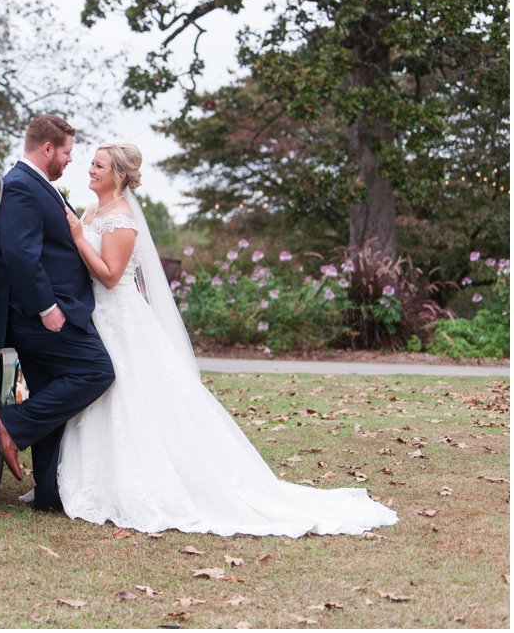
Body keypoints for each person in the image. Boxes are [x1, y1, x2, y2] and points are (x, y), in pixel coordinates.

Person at [54, 142, 398, 536]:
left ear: (118, 175)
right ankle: (93, 479)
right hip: (98, 316)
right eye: (91, 164)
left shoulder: (122, 219)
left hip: (121, 317)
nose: (90, 169)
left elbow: (112, 276)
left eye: (98, 165)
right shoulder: (93, 209)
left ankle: (141, 485)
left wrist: (80, 238)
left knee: (132, 396)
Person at [0, 116, 116, 512]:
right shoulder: (21, 188)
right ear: (47, 149)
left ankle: (49, 492)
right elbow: (21, 256)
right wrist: (47, 308)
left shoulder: (38, 186)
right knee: (96, 371)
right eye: (66, 152)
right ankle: (10, 424)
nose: (71, 159)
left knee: (48, 393)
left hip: (49, 311)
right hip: (43, 315)